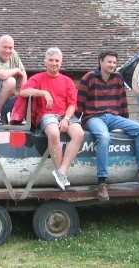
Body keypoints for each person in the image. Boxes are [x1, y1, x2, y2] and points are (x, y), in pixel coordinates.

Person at [77, 50, 139, 200]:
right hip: (93, 117)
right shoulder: (89, 77)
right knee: (103, 136)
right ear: (100, 61)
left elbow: (122, 101)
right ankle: (102, 182)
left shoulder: (118, 78)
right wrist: (77, 121)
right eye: (109, 62)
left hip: (113, 117)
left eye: (114, 62)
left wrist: (126, 121)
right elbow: (79, 101)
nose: (112, 65)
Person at [20, 47, 84, 190]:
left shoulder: (67, 81)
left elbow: (72, 104)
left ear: (61, 63)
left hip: (65, 114)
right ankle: (61, 174)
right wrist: (43, 92)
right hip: (47, 115)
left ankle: (61, 171)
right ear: (45, 62)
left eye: (57, 60)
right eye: (51, 60)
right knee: (54, 133)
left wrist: (66, 119)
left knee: (79, 134)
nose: (54, 63)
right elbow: (23, 92)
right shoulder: (37, 78)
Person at [0, 35, 27, 125]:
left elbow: (23, 74)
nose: (8, 51)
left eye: (10, 48)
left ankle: (18, 115)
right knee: (11, 81)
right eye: (5, 47)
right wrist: (16, 70)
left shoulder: (14, 54)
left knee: (30, 91)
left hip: (6, 97)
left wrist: (21, 93)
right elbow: (3, 75)